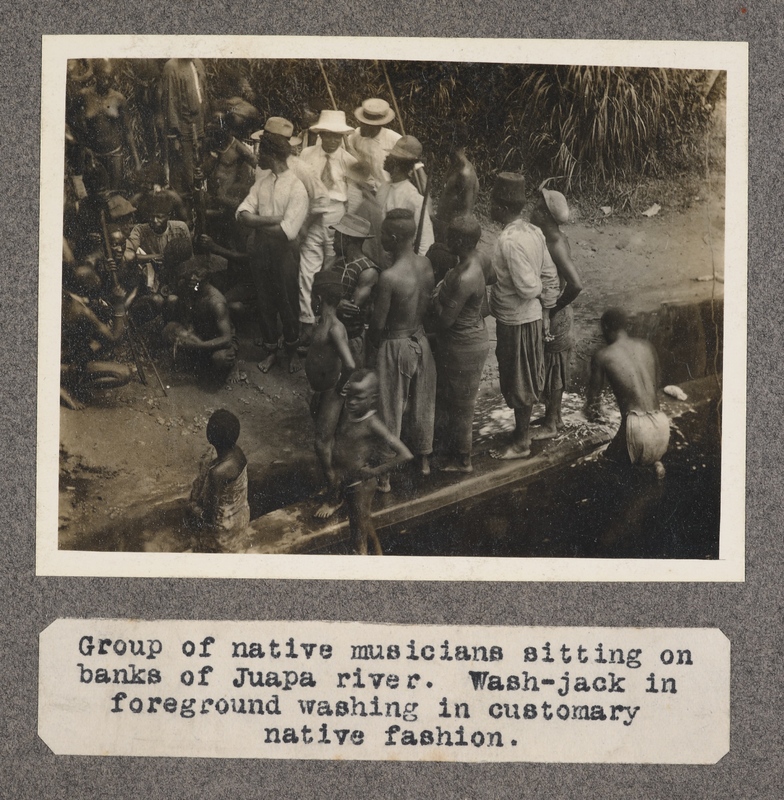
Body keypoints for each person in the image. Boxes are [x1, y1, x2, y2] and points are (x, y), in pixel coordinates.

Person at [488, 172, 560, 460]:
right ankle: (521, 433)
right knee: (521, 375)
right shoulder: (533, 232)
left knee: (519, 378)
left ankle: (521, 442)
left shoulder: (510, 240)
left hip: (516, 319)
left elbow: (528, 285)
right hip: (523, 317)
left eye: (493, 203)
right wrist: (545, 307)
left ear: (503, 208)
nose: (490, 208)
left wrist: (539, 295)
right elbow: (549, 274)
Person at [235, 119, 309, 373]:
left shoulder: (297, 188)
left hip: (285, 254)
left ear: (272, 154)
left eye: (261, 152)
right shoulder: (262, 183)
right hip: (261, 251)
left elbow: (287, 232)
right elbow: (242, 214)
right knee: (265, 302)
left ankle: (290, 351)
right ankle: (271, 351)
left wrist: (258, 223)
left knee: (287, 302)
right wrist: (273, 219)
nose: (257, 156)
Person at [369, 208, 436, 483]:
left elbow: (377, 324)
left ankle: (384, 476)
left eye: (384, 234)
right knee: (423, 403)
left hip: (396, 343)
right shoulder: (425, 265)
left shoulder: (389, 277)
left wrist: (374, 342)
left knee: (390, 407)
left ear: (395, 237)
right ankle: (423, 462)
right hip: (421, 340)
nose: (380, 237)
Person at [329, 370, 413, 555]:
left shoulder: (372, 423)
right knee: (364, 521)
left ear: (372, 398)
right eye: (349, 396)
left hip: (361, 486)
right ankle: (379, 556)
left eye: (358, 398)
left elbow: (405, 454)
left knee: (357, 539)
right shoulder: (350, 413)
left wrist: (375, 471)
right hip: (348, 481)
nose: (351, 402)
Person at [431, 215, 490, 473]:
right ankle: (454, 450)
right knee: (456, 398)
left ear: (460, 241)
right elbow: (486, 302)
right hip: (471, 337)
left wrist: (434, 298)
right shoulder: (480, 259)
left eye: (450, 237)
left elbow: (445, 321)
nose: (445, 241)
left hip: (463, 344)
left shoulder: (465, 276)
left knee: (463, 403)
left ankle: (464, 460)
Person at [299, 110, 362, 343]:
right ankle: (306, 321)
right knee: (307, 270)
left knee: (332, 270)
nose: (332, 140)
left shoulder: (348, 161)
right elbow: (300, 186)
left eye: (337, 136)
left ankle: (327, 322)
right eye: (328, 135)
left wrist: (346, 226)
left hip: (337, 219)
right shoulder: (306, 155)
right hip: (312, 216)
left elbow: (354, 198)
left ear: (342, 137)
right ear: (320, 134)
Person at [586, 308, 669, 479]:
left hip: (636, 427)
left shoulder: (602, 355)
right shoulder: (647, 346)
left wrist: (594, 414)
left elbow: (593, 403)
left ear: (606, 327)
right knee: (637, 466)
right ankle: (655, 463)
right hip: (661, 424)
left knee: (605, 464)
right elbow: (657, 383)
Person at [530, 186, 583, 440]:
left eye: (537, 208)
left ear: (546, 215)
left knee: (554, 365)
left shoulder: (555, 243)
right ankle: (556, 416)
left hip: (558, 312)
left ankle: (551, 423)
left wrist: (554, 309)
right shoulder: (551, 238)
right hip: (558, 310)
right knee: (554, 364)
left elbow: (576, 283)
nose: (532, 210)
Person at [305, 272, 356, 519]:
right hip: (320, 390)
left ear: (321, 296)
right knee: (326, 441)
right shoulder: (321, 323)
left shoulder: (335, 328)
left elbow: (349, 363)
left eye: (315, 295)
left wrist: (339, 389)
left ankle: (336, 498)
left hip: (331, 392)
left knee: (322, 443)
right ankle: (331, 484)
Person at [60, 265, 131, 410]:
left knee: (96, 344)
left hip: (55, 359)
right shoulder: (83, 311)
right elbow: (114, 338)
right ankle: (67, 385)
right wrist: (119, 305)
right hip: (62, 366)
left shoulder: (62, 295)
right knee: (123, 374)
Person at [163, 260, 239, 383]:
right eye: (191, 277)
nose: (192, 281)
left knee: (220, 359)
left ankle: (231, 365)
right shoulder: (191, 288)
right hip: (200, 334)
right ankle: (198, 361)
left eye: (197, 279)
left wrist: (197, 346)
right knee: (169, 329)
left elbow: (227, 339)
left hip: (218, 340)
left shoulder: (216, 302)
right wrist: (188, 332)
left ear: (206, 281)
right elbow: (186, 312)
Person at [188, 409, 251, 553]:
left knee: (192, 509)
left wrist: (192, 508)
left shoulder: (217, 473)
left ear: (210, 436)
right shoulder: (238, 452)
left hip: (224, 531)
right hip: (241, 517)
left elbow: (209, 516)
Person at [74, 59, 141, 189]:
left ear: (113, 78)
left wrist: (136, 161)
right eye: (102, 77)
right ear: (95, 75)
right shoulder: (84, 95)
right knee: (95, 197)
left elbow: (128, 131)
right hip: (93, 156)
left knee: (114, 195)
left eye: (109, 78)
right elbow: (73, 122)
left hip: (114, 155)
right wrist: (83, 147)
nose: (105, 82)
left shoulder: (119, 99)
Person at [327, 213, 380, 368]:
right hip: (330, 332)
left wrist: (330, 303)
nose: (333, 240)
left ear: (347, 239)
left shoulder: (368, 271)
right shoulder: (337, 261)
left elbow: (350, 309)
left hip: (349, 339)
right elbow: (317, 296)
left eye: (337, 236)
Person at [376, 136, 434, 257]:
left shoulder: (413, 197)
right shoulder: (383, 187)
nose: (387, 160)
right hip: (380, 253)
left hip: (400, 258)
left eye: (392, 159)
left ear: (398, 166)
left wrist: (418, 265)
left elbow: (425, 239)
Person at [161, 58, 209, 198]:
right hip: (183, 130)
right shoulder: (171, 67)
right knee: (184, 176)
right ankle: (185, 213)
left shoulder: (198, 63)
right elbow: (169, 102)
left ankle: (199, 209)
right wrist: (174, 136)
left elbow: (203, 95)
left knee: (199, 173)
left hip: (199, 127)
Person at [433, 122, 479, 243]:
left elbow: (466, 215)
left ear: (452, 142)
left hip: (451, 237)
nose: (440, 143)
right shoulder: (453, 166)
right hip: (442, 232)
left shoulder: (465, 173)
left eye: (444, 139)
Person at [346, 98, 402, 188]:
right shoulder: (356, 135)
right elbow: (346, 148)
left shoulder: (393, 138)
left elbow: (416, 166)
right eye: (362, 123)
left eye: (367, 125)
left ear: (378, 126)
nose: (362, 127)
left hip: (386, 189)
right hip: (365, 187)